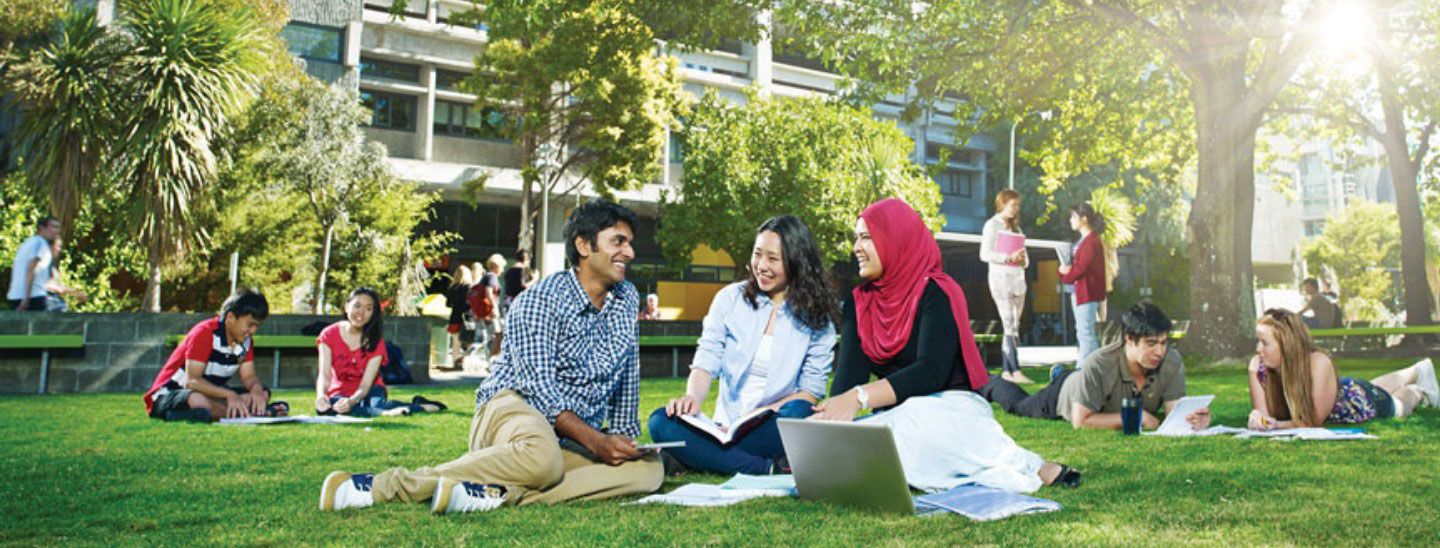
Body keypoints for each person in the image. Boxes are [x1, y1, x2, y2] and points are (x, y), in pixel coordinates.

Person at [320, 199, 662, 514]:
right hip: (512, 409)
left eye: (630, 243)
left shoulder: (626, 299)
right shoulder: (540, 300)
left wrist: (624, 441)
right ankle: (384, 486)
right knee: (543, 458)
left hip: (568, 437)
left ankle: (494, 494)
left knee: (647, 471)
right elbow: (541, 393)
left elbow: (627, 375)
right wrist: (597, 442)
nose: (630, 252)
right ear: (584, 246)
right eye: (618, 241)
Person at [811, 198, 1080, 494]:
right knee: (858, 436)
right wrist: (828, 418)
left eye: (866, 237)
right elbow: (848, 380)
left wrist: (859, 397)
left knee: (913, 420)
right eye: (856, 238)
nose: (856, 248)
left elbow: (931, 372)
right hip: (896, 418)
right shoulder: (858, 302)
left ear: (895, 239)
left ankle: (1030, 464)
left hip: (951, 411)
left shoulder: (937, 291)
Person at [648, 215, 836, 475]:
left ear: (796, 261)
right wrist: (692, 398)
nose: (762, 266)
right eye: (757, 254)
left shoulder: (818, 320)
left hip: (771, 422)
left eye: (773, 258)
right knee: (660, 421)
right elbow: (706, 359)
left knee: (800, 412)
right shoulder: (730, 299)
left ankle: (699, 456)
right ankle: (765, 467)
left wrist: (760, 413)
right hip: (723, 425)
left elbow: (810, 392)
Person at [979, 302, 1211, 431]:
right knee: (1019, 405)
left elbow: (1173, 416)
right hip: (1064, 394)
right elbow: (1080, 422)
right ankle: (986, 380)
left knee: (1084, 377)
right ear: (1130, 339)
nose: (1159, 351)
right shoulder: (1100, 363)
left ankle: (1062, 373)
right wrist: (1133, 418)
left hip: (1088, 380)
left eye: (1163, 343)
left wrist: (1194, 420)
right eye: (1151, 344)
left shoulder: (1170, 361)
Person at [1246, 309, 1438, 429]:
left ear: (1286, 345)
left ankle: (1419, 391)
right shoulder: (1259, 367)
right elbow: (1264, 418)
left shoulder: (1317, 362)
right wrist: (1259, 418)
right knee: (1375, 387)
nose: (1257, 349)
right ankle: (1417, 370)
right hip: (1342, 390)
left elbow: (1311, 421)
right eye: (1257, 341)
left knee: (1398, 404)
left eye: (1264, 342)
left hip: (1358, 402)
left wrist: (1276, 425)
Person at [142, 288, 285, 422]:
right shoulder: (205, 333)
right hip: (170, 394)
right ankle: (252, 413)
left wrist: (256, 391)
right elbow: (192, 381)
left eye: (257, 326)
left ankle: (215, 412)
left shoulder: (245, 341)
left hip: (209, 394)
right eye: (250, 325)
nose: (253, 331)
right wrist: (229, 395)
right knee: (197, 400)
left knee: (263, 393)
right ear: (230, 317)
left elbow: (249, 377)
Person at [315, 288, 445, 417]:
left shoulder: (376, 342)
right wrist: (321, 397)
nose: (361, 313)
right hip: (340, 391)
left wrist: (352, 401)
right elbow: (324, 374)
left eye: (368, 309)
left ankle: (417, 406)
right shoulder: (328, 334)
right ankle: (385, 411)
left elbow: (365, 385)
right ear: (346, 306)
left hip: (371, 389)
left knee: (376, 405)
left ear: (373, 313)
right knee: (334, 407)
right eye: (357, 306)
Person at [981, 189, 1030, 384]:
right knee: (1009, 323)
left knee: (1013, 326)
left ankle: (1007, 371)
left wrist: (1021, 259)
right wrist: (1007, 257)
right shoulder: (991, 225)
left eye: (1017, 205)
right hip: (1001, 281)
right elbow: (984, 254)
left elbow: (1026, 259)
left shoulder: (1017, 228)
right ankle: (1015, 369)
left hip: (1018, 281)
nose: (1016, 208)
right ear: (1002, 204)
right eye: (1012, 204)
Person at [1058, 202, 1106, 367]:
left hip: (1086, 292)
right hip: (1079, 292)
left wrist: (1065, 275)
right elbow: (1078, 268)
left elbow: (1081, 269)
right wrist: (1065, 272)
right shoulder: (1084, 240)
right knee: (1085, 333)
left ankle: (1081, 370)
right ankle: (1096, 368)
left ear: (1084, 218)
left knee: (1085, 334)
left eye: (1073, 216)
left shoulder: (1091, 241)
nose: (1070, 220)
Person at [8, 216, 61, 311]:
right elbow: (31, 268)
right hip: (33, 297)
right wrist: (26, 299)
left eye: (57, 228)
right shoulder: (41, 244)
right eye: (53, 226)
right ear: (42, 228)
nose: (56, 231)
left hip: (14, 296)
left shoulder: (27, 242)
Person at [469, 254, 505, 359]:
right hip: (489, 312)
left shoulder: (486, 276)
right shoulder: (492, 276)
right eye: (502, 267)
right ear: (497, 266)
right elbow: (488, 292)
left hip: (483, 311)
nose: (502, 270)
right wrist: (495, 307)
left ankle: (486, 359)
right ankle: (489, 359)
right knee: (494, 336)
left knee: (485, 338)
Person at [41, 237, 87, 312]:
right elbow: (44, 284)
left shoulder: (50, 265)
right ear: (50, 246)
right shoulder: (42, 264)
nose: (59, 249)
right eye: (58, 246)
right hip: (47, 303)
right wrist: (72, 292)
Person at [443, 264, 474, 369]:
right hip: (467, 318)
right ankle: (464, 360)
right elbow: (471, 303)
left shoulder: (452, 287)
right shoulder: (469, 287)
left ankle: (455, 362)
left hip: (455, 317)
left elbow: (448, 304)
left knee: (456, 342)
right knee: (470, 342)